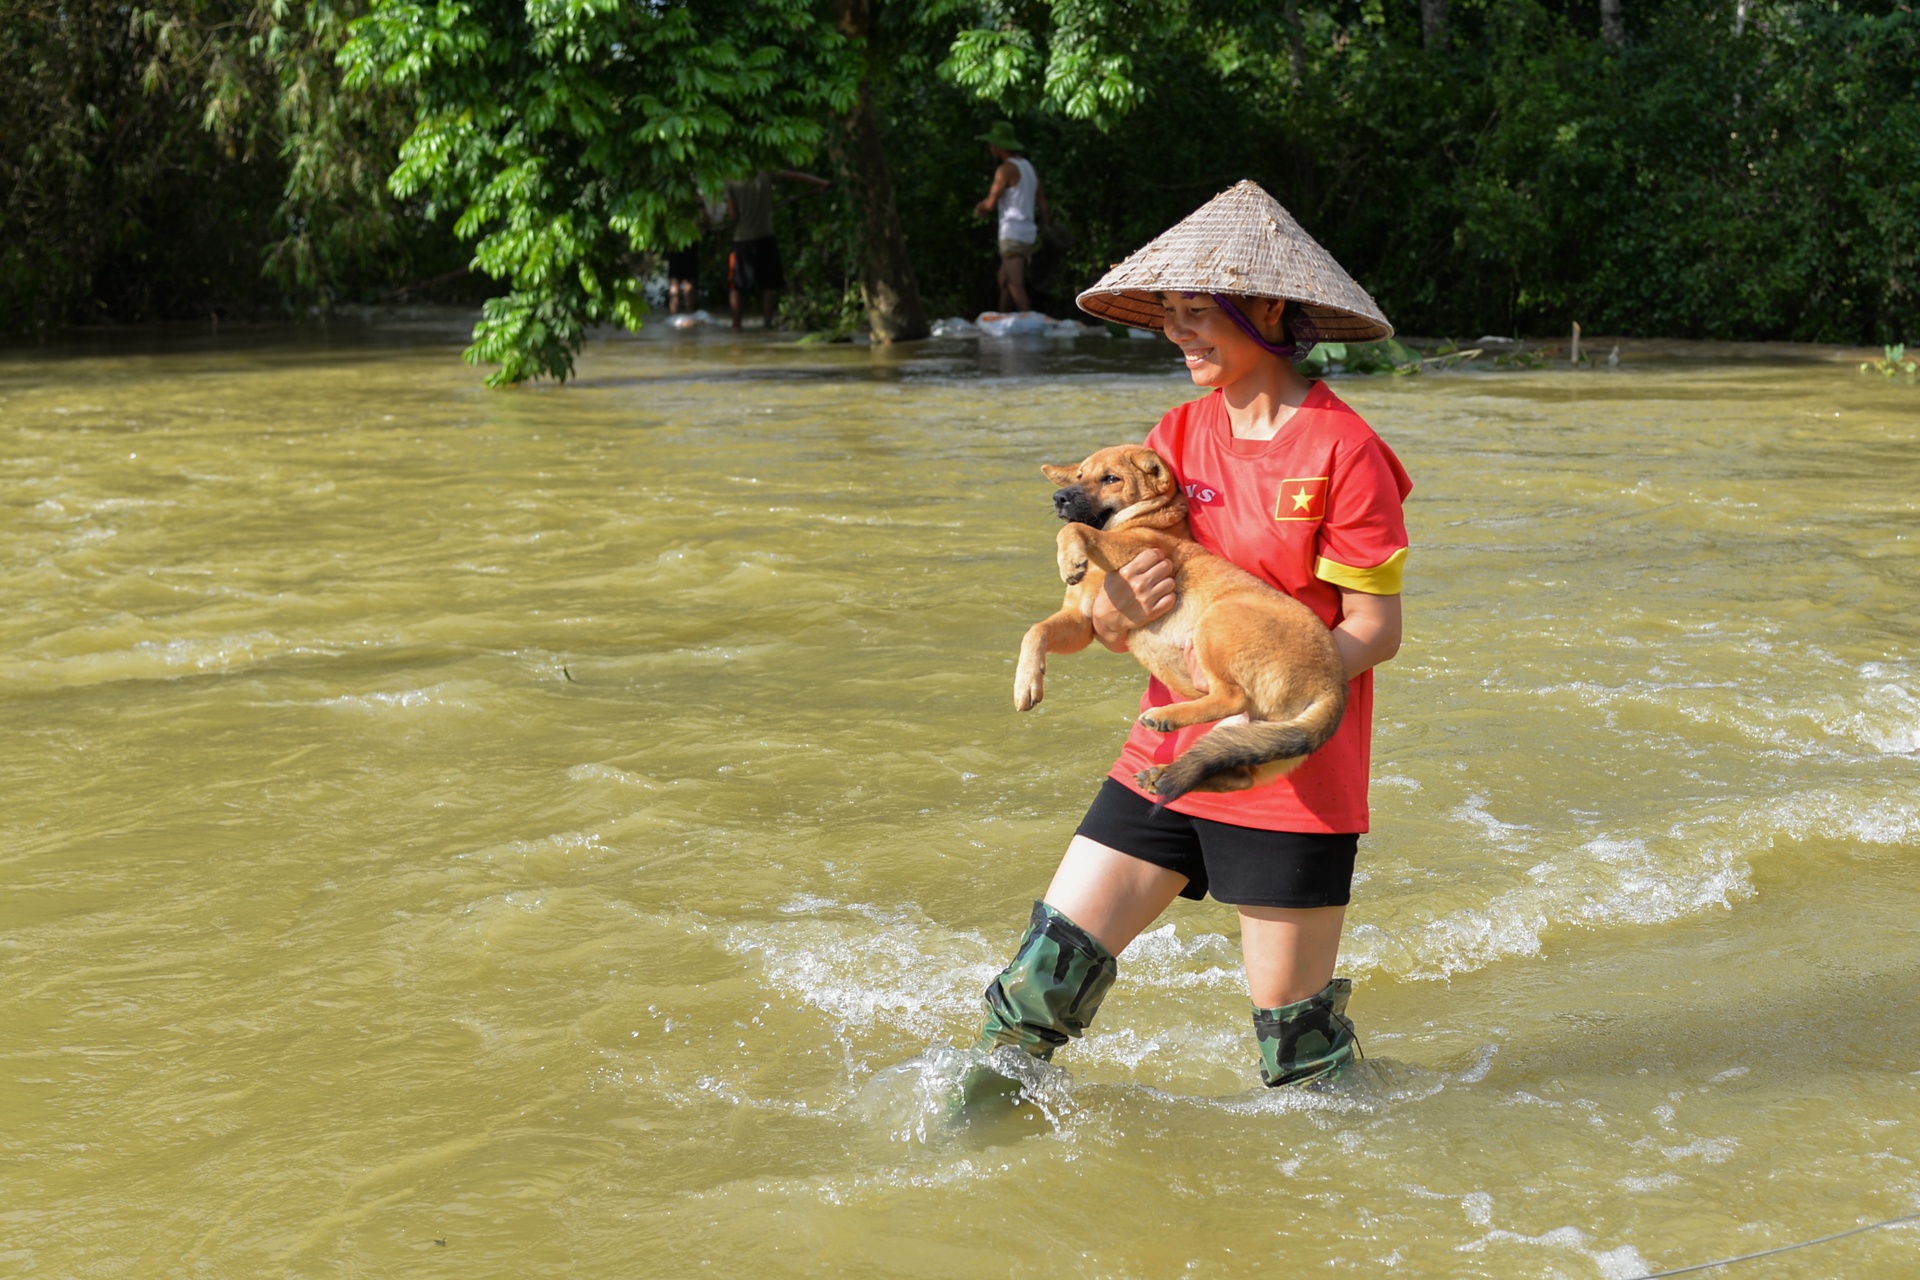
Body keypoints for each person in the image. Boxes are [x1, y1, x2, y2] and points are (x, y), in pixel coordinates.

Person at [969, 180, 1411, 1095]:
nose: (1180, 335)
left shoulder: (1345, 452)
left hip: (1289, 768)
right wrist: (1111, 607)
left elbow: (1374, 628)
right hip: (1166, 741)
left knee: (1301, 1058)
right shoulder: (1174, 437)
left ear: (1270, 309)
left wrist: (1274, 690)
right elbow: (1117, 612)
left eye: (1198, 315)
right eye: (1169, 318)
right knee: (1033, 993)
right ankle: (969, 1141)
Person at [724, 169, 828, 330]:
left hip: (742, 240)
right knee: (769, 286)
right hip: (766, 237)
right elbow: (795, 175)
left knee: (736, 287)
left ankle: (736, 326)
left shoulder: (730, 179)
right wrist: (821, 183)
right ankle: (768, 322)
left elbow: (733, 215)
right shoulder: (764, 173)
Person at [972, 121, 1049, 313]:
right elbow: (1043, 202)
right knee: (1004, 281)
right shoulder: (1028, 167)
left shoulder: (1005, 170)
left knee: (1015, 285)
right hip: (1028, 232)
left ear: (997, 147)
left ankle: (1029, 321)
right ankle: (1003, 318)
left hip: (1012, 233)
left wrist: (979, 208)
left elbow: (990, 204)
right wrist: (1046, 227)